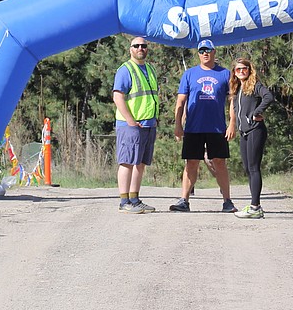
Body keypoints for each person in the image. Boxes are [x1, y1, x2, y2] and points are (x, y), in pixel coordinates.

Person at [172, 39, 235, 213]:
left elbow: (232, 101)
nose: (205, 53)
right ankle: (184, 200)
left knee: (219, 162)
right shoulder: (190, 74)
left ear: (214, 52)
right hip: (194, 127)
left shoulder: (225, 74)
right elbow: (180, 101)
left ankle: (227, 201)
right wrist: (178, 124)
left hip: (217, 127)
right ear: (198, 53)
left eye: (208, 50)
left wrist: (232, 124)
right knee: (191, 162)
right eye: (202, 50)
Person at [113, 36, 160, 214]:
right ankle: (124, 201)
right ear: (130, 49)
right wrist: (131, 120)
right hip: (130, 125)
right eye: (136, 46)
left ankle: (134, 198)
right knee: (127, 162)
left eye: (143, 46)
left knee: (140, 163)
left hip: (148, 123)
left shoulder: (150, 68)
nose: (140, 48)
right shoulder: (125, 70)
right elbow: (118, 97)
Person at [227, 56, 274, 219]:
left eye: (244, 69)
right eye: (238, 69)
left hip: (255, 130)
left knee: (254, 168)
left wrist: (257, 112)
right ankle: (254, 204)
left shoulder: (254, 85)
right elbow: (235, 108)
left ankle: (255, 207)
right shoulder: (237, 88)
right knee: (248, 168)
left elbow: (268, 97)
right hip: (244, 132)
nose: (241, 72)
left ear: (249, 70)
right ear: (234, 72)